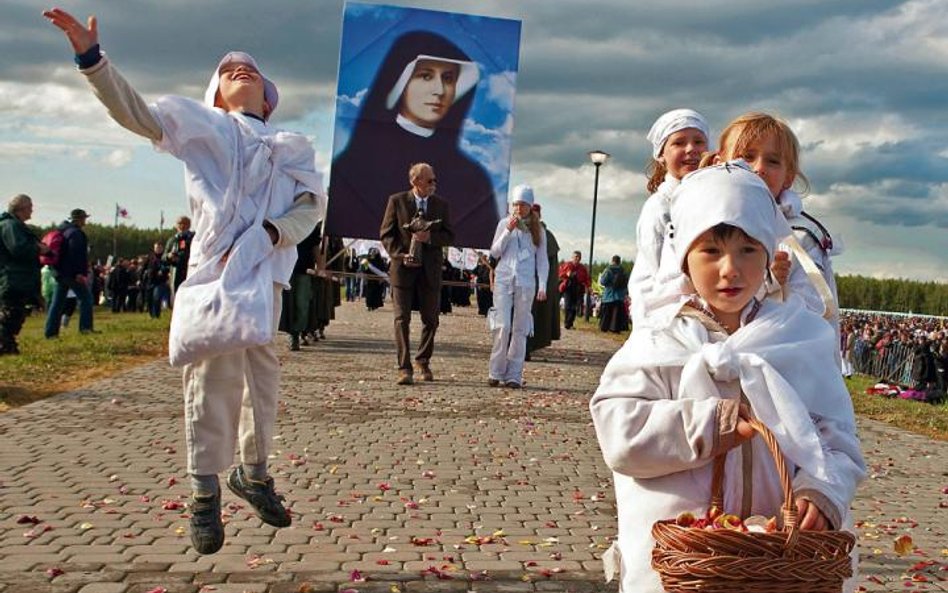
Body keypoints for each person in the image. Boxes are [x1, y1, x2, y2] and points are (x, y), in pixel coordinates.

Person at [44, 8, 325, 555]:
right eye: (229, 70)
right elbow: (136, 113)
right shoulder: (203, 129)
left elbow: (311, 208)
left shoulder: (292, 147)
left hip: (265, 276)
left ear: (269, 97)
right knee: (211, 378)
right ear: (216, 94)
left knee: (260, 384)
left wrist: (272, 232)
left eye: (251, 69)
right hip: (217, 273)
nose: (240, 69)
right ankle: (203, 491)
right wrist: (92, 59)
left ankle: (254, 472)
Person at [589, 163, 865, 593]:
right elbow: (619, 432)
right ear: (684, 258)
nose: (730, 269)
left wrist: (820, 492)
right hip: (685, 561)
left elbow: (838, 439)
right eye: (711, 251)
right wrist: (706, 426)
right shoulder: (661, 338)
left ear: (769, 253)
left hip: (779, 558)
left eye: (748, 250)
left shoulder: (800, 336)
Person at [330, 30, 498, 248]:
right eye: (426, 76)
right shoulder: (353, 165)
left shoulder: (474, 178)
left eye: (448, 78)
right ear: (400, 81)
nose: (439, 90)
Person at [716, 112, 842, 356]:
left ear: (788, 177)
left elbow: (812, 317)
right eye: (746, 157)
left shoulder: (800, 239)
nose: (759, 168)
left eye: (773, 161)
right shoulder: (704, 225)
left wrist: (771, 285)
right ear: (719, 163)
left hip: (775, 362)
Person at [628, 108, 711, 328]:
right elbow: (659, 271)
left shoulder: (710, 200)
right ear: (662, 156)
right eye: (679, 143)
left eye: (699, 142)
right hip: (663, 311)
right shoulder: (659, 207)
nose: (691, 149)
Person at [380, 162, 455, 385]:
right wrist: (399, 254)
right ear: (416, 182)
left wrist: (430, 239)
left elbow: (450, 236)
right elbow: (386, 233)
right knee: (401, 319)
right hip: (403, 271)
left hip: (429, 271)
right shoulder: (397, 201)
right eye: (429, 180)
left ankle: (423, 360)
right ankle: (404, 368)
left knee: (431, 319)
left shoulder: (441, 205)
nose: (434, 184)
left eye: (435, 180)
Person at [487, 185, 549, 388]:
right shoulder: (504, 223)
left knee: (520, 329)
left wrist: (543, 285)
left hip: (525, 282)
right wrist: (507, 231)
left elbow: (542, 260)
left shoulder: (538, 229)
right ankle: (496, 370)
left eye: (522, 204)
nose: (518, 208)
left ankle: (514, 374)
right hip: (504, 279)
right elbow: (495, 252)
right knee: (502, 326)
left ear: (530, 206)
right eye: (515, 204)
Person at [0, 194, 46, 355]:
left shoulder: (14, 225)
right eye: (30, 206)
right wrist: (38, 248)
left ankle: (7, 344)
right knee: (10, 313)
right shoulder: (10, 226)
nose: (32, 210)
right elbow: (18, 249)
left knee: (16, 313)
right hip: (12, 277)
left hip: (18, 277)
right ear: (22, 208)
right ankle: (4, 345)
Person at [44, 208, 95, 337]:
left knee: (57, 303)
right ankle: (86, 328)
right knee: (86, 299)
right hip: (71, 273)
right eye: (84, 218)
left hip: (60, 272)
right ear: (79, 219)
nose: (85, 221)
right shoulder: (76, 233)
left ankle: (50, 332)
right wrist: (79, 273)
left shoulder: (63, 231)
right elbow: (76, 255)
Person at [527, 203, 561, 356]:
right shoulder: (524, 231)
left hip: (538, 285)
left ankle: (527, 348)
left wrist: (543, 286)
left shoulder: (546, 236)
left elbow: (547, 266)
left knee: (533, 316)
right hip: (524, 282)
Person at [558, 251, 589, 329]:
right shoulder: (567, 265)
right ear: (572, 257)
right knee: (568, 305)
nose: (577, 258)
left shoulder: (582, 268)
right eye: (576, 257)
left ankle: (570, 323)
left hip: (578, 288)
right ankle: (567, 323)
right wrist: (566, 274)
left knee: (575, 307)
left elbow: (586, 278)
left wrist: (588, 286)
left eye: (579, 257)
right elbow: (560, 274)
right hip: (568, 287)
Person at [598, 255, 629, 333]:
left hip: (609, 294)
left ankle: (604, 327)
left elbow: (602, 281)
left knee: (606, 314)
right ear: (619, 261)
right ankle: (615, 329)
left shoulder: (608, 270)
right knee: (616, 314)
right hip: (619, 296)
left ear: (612, 261)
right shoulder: (623, 271)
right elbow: (626, 283)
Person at [165, 215, 195, 298]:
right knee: (175, 294)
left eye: (185, 223)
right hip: (175, 271)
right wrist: (169, 256)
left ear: (189, 225)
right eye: (179, 223)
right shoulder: (172, 240)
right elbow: (164, 256)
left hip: (188, 270)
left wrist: (181, 257)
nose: (182, 226)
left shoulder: (193, 238)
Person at [144, 241, 171, 318]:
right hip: (150, 280)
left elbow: (169, 267)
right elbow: (144, 267)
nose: (158, 249)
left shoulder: (165, 257)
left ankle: (156, 315)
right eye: (156, 248)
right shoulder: (150, 257)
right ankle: (151, 314)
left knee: (157, 298)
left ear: (162, 248)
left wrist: (163, 271)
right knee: (149, 299)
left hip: (160, 281)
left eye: (159, 248)